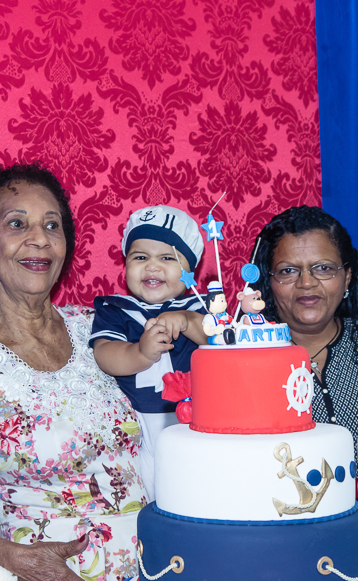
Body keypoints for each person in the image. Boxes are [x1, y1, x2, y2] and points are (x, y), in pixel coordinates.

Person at [0, 164, 147, 581]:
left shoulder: (100, 330)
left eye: (52, 225)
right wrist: (13, 558)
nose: (40, 238)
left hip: (157, 567)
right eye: (17, 223)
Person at [250, 205, 358, 443]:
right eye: (288, 271)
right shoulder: (250, 355)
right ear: (269, 283)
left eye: (323, 268)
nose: (307, 282)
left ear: (347, 278)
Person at [88, 205, 208, 500]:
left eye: (167, 258)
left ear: (190, 271)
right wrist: (140, 353)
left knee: (196, 491)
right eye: (140, 257)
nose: (152, 267)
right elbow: (104, 354)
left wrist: (188, 322)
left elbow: (222, 343)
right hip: (137, 425)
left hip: (196, 420)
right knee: (147, 495)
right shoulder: (116, 310)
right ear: (125, 264)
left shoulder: (202, 307)